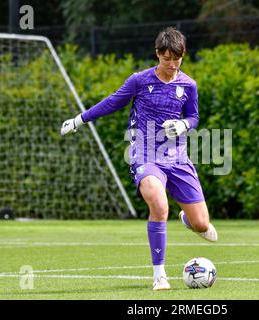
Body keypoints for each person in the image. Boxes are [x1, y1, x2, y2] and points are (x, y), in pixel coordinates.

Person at [60, 27, 217, 291]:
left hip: (177, 157)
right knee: (158, 205)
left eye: (176, 59)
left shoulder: (189, 85)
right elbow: (112, 102)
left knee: (201, 223)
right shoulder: (140, 80)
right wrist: (79, 120)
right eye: (166, 59)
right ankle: (159, 275)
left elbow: (194, 117)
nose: (171, 64)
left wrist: (183, 126)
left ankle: (189, 219)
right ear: (157, 54)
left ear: (183, 55)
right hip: (145, 154)